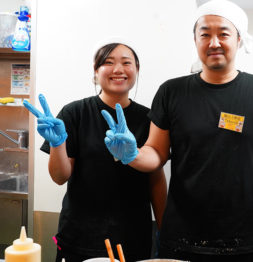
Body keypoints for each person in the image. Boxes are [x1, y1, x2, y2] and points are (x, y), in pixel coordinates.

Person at [101, 0, 253, 261]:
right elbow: (156, 152)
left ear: (239, 39)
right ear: (195, 40)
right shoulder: (172, 91)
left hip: (244, 239)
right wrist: (132, 155)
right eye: (205, 34)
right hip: (181, 237)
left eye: (223, 34)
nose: (214, 42)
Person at [23, 41, 167, 262]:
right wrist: (57, 144)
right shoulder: (74, 113)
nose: (118, 69)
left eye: (126, 63)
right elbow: (60, 177)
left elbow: (156, 178)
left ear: (136, 70)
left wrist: (163, 231)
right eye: (108, 62)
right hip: (79, 234)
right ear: (95, 71)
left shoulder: (150, 119)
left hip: (132, 236)